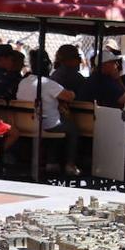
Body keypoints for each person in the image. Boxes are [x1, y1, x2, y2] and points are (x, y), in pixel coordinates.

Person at [17, 48, 80, 176]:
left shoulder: (23, 82)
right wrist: (73, 92)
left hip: (24, 123)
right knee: (71, 128)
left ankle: (52, 163)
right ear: (48, 66)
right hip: (44, 124)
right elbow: (68, 96)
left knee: (58, 122)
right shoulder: (48, 84)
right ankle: (70, 165)